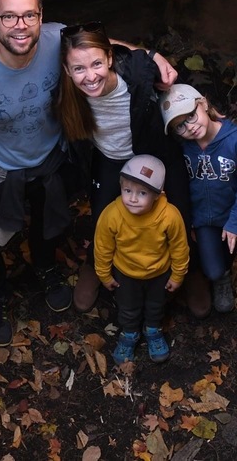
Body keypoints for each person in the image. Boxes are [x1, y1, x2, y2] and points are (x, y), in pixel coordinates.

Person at [0, 0, 177, 346]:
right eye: (9, 16)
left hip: (50, 157)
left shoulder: (54, 39)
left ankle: (45, 267)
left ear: (41, 16)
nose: (20, 26)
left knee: (48, 221)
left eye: (29, 15)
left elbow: (103, 45)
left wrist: (152, 55)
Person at [56, 23, 210, 316]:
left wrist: (154, 56)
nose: (90, 76)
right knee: (102, 216)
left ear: (110, 58)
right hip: (109, 158)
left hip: (155, 153)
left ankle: (189, 268)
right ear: (66, 70)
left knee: (178, 212)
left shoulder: (139, 72)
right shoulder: (68, 96)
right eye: (78, 69)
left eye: (97, 64)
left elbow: (177, 92)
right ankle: (95, 264)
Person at [160, 84, 237, 313]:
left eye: (191, 116)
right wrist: (189, 220)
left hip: (229, 214)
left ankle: (224, 276)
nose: (190, 127)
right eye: (180, 126)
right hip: (202, 219)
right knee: (212, 269)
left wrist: (235, 221)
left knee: (227, 251)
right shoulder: (183, 147)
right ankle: (218, 276)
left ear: (203, 104)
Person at [93, 155, 189, 364]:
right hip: (126, 273)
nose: (133, 199)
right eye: (127, 190)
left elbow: (179, 247)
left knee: (156, 304)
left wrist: (177, 275)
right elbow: (102, 247)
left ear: (157, 194)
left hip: (159, 272)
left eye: (142, 193)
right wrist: (104, 274)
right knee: (128, 306)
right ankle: (129, 333)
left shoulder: (170, 216)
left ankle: (153, 329)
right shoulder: (112, 214)